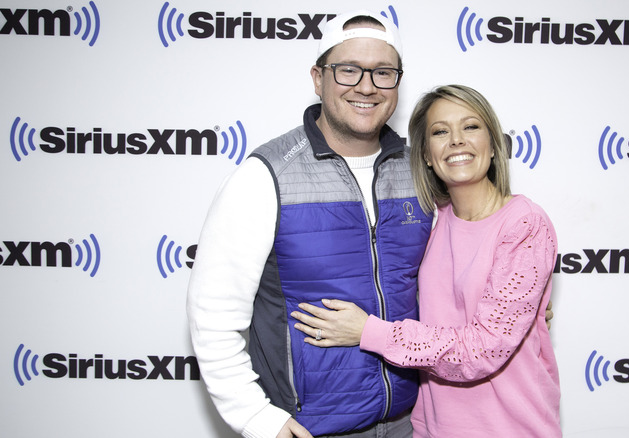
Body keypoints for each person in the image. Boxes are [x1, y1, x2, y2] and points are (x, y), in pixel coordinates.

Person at [186, 10, 433, 438]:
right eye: (348, 70)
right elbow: (214, 311)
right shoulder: (266, 176)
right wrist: (255, 417)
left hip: (413, 423)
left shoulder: (420, 169)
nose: (367, 86)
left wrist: (514, 296)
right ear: (318, 79)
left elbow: (459, 260)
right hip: (309, 428)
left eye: (383, 72)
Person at [291, 85, 561, 437]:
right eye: (440, 132)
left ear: (494, 145)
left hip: (510, 426)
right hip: (433, 428)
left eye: (471, 127)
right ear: (427, 155)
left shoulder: (524, 223)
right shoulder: (430, 219)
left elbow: (482, 350)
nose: (456, 141)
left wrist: (368, 331)